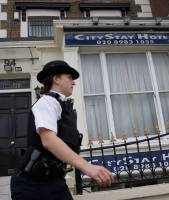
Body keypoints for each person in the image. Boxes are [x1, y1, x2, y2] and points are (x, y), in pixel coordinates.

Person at [10, 60, 113, 200]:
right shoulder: (47, 102)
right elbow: (48, 140)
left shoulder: (62, 106)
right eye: (69, 77)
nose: (74, 82)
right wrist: (87, 167)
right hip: (32, 185)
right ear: (56, 79)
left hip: (55, 181)